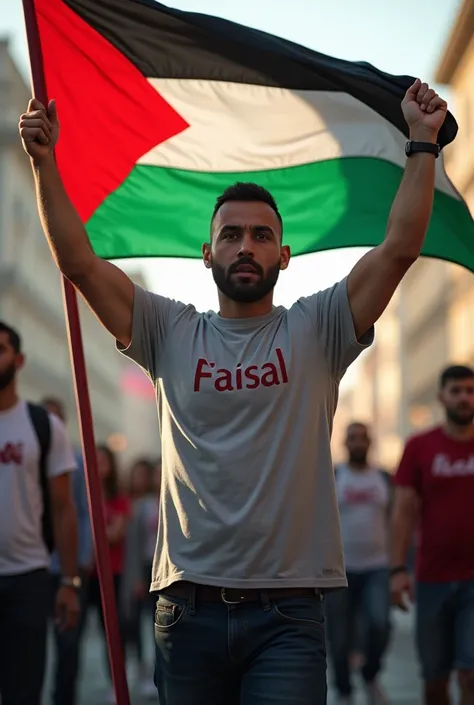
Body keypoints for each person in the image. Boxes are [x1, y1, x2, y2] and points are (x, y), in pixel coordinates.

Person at [20, 78, 447, 704]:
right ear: (206, 253)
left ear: (285, 255)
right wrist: (43, 161)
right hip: (185, 611)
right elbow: (81, 263)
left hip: (289, 615)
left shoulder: (318, 326)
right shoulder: (167, 329)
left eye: (262, 235)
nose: (246, 246)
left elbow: (399, 249)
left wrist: (422, 141)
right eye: (231, 235)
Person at [0, 322, 80, 705]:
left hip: (29, 579)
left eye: (0, 348)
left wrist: (69, 581)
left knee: (23, 693)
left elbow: (65, 509)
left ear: (19, 360)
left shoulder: (43, 426)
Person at [391, 365, 474, 705]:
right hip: (432, 580)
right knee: (435, 681)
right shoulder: (419, 447)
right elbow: (403, 511)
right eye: (456, 390)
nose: (464, 397)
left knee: (471, 673)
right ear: (442, 396)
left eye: (470, 390)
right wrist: (397, 570)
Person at [325, 422, 392, 705]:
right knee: (338, 636)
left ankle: (370, 673)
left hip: (377, 566)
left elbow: (397, 518)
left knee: (380, 623)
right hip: (341, 569)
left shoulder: (384, 478)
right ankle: (343, 690)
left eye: (362, 438)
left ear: (370, 442)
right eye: (352, 438)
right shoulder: (334, 476)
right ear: (345, 443)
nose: (357, 443)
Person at [41, 396, 93, 705]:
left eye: (57, 419)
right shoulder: (25, 455)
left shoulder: (75, 460)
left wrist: (82, 558)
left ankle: (64, 699)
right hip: (31, 567)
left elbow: (85, 513)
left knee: (68, 643)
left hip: (67, 568)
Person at [87, 444, 130, 702]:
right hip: (87, 572)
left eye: (104, 460)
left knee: (111, 632)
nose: (100, 465)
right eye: (96, 460)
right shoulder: (83, 494)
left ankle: (117, 683)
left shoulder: (119, 497)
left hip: (113, 573)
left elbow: (116, 534)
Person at [122, 458, 160, 698]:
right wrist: (135, 577)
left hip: (164, 568)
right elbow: (134, 545)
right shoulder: (143, 506)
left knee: (160, 624)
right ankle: (142, 670)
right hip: (145, 567)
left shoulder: (174, 499)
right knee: (141, 623)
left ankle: (157, 671)